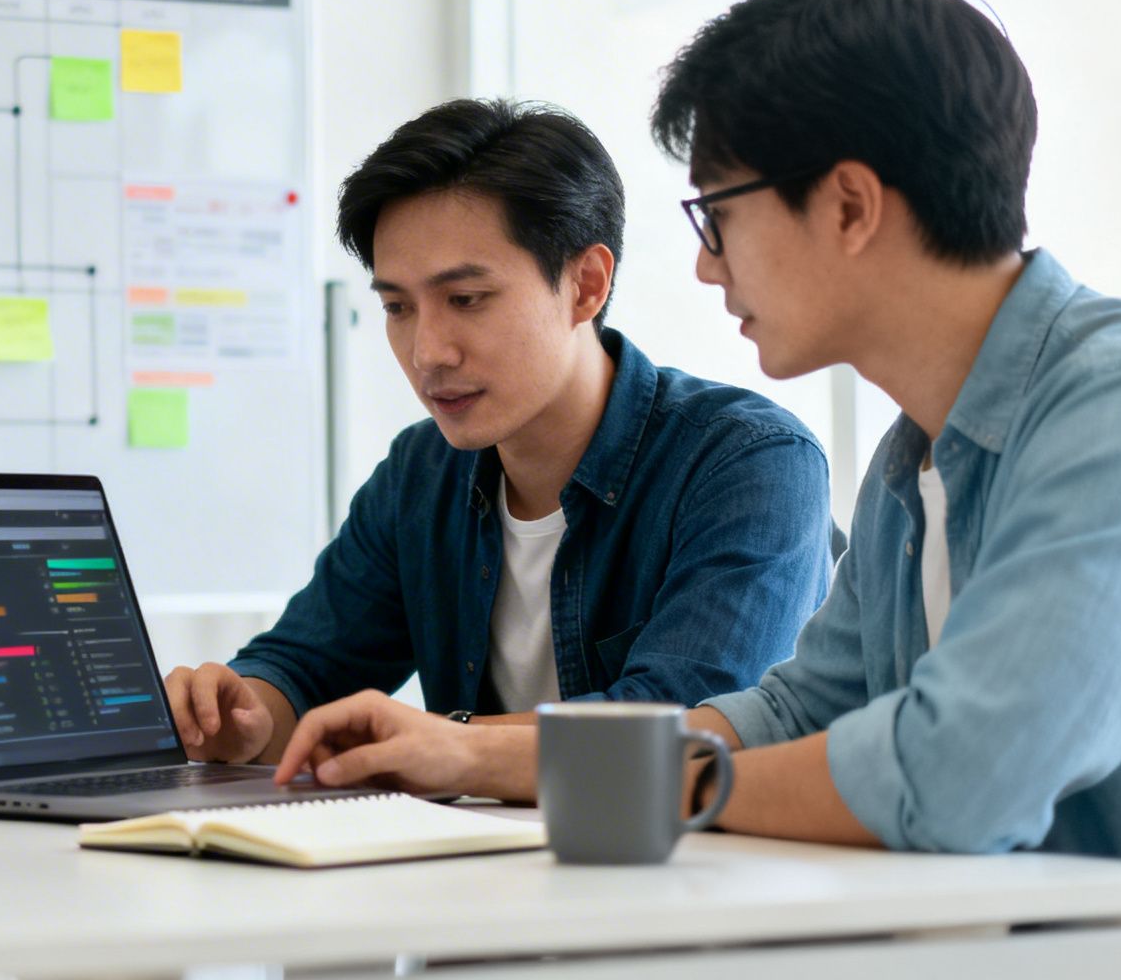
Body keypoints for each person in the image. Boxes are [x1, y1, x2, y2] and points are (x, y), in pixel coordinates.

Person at [272, 0, 1121, 977]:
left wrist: (671, 785)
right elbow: (787, 712)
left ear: (849, 206)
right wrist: (467, 754)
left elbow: (958, 774)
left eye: (717, 216)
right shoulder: (914, 461)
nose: (703, 264)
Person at [164, 98, 832, 765]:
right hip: (493, 862)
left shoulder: (749, 462)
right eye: (397, 307)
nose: (428, 352)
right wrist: (244, 713)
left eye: (466, 300)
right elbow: (304, 671)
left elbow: (689, 724)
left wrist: (449, 744)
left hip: (694, 865)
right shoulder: (421, 473)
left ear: (586, 285)